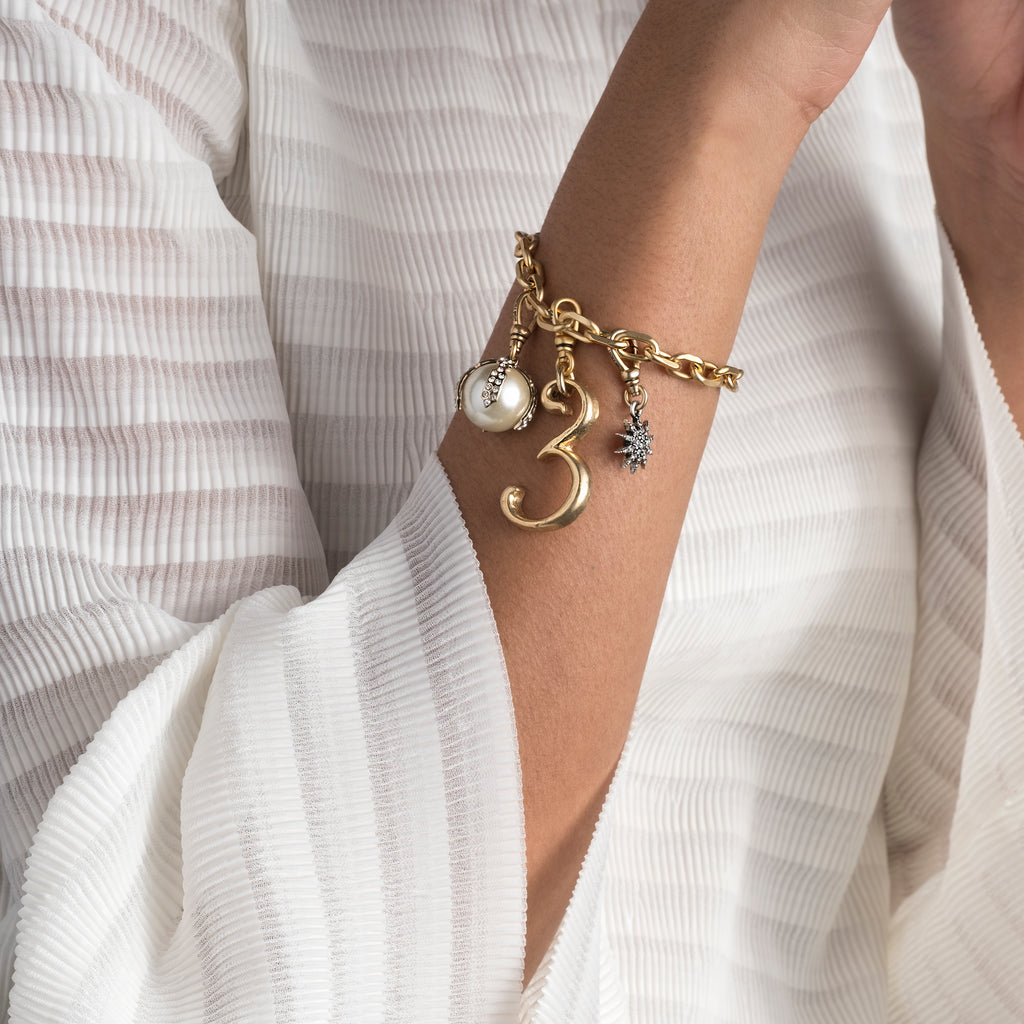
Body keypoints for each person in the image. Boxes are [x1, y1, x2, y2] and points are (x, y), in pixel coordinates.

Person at [1, 0, 1022, 1019]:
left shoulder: (903, 54)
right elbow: (177, 981)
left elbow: (933, 894)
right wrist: (720, 96)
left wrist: (993, 188)